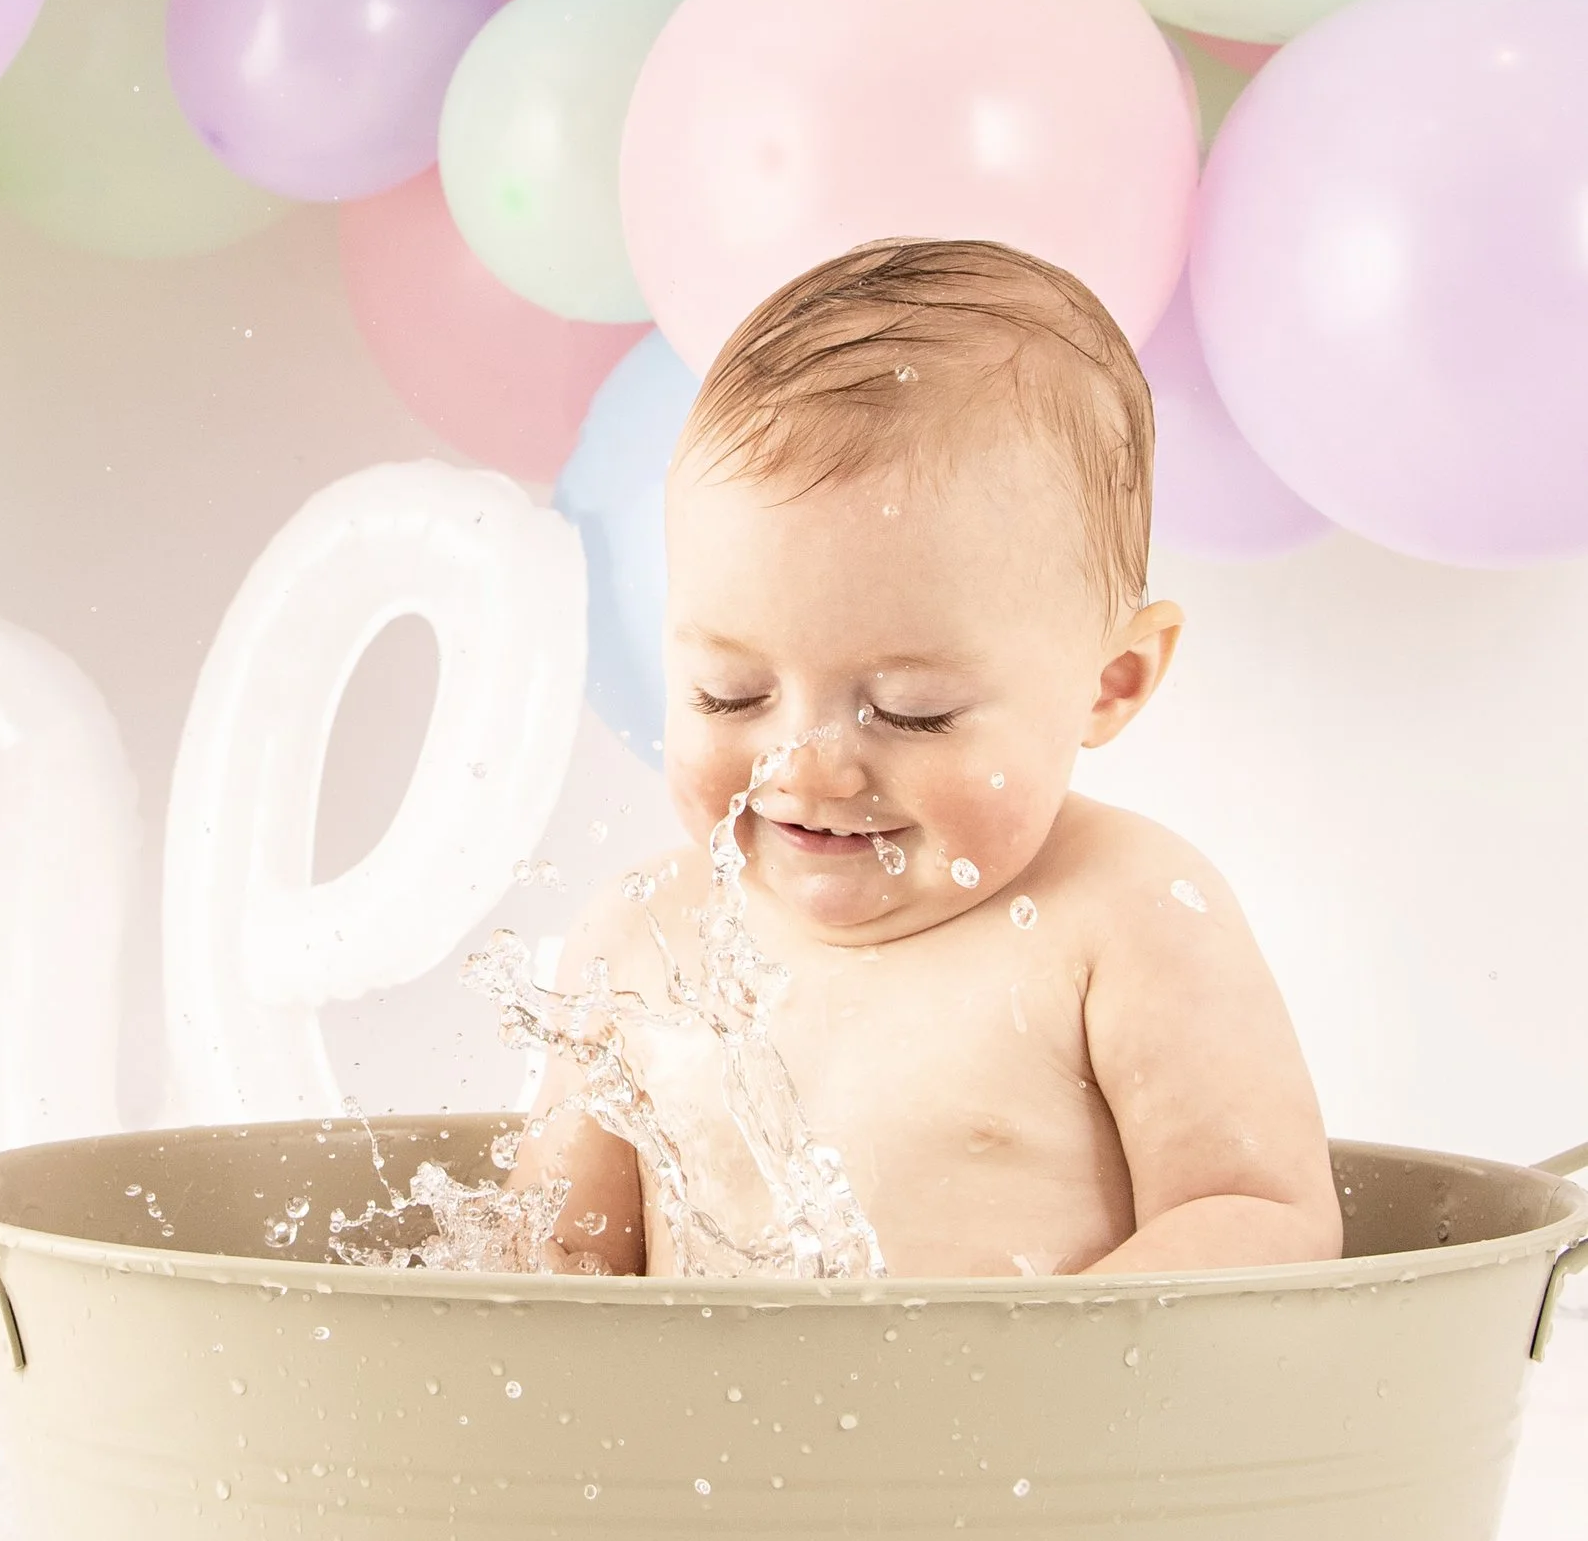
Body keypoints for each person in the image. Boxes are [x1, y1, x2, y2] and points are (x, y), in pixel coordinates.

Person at [512, 238, 1342, 1280]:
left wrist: (1038, 1377)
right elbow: (546, 1267)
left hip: (1040, 1443)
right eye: (731, 694)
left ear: (1109, 682)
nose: (805, 768)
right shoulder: (642, 939)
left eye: (911, 712)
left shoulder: (1124, 915)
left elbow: (1260, 1216)